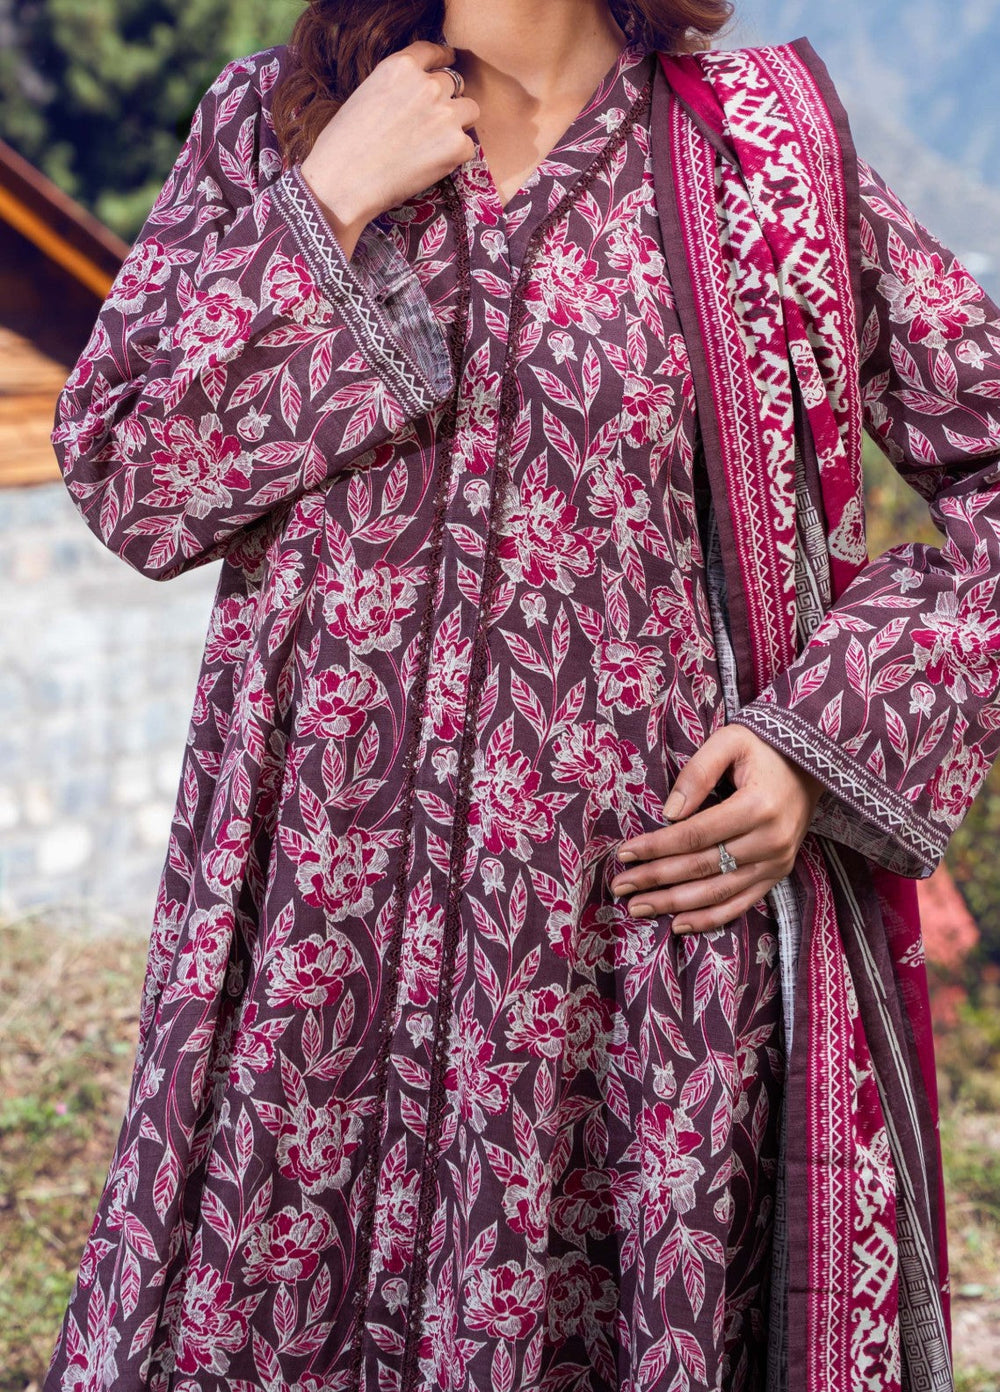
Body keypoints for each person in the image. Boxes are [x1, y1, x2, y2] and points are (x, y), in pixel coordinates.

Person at [41, 0, 999, 1387]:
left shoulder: (758, 158)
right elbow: (131, 476)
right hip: (315, 977)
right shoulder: (277, 125)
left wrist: (817, 740)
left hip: (635, 977)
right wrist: (328, 201)